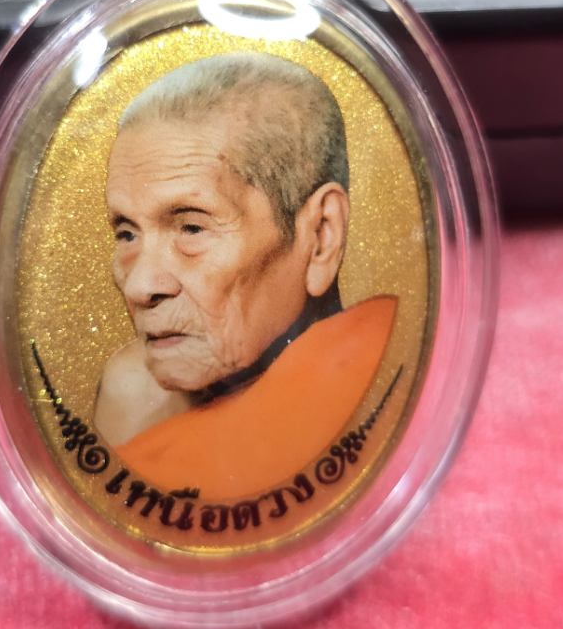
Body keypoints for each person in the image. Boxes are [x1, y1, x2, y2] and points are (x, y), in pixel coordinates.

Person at [94, 52, 396, 497]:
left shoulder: (392, 379)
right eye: (127, 233)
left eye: (191, 228)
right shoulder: (132, 399)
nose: (139, 286)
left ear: (320, 235)